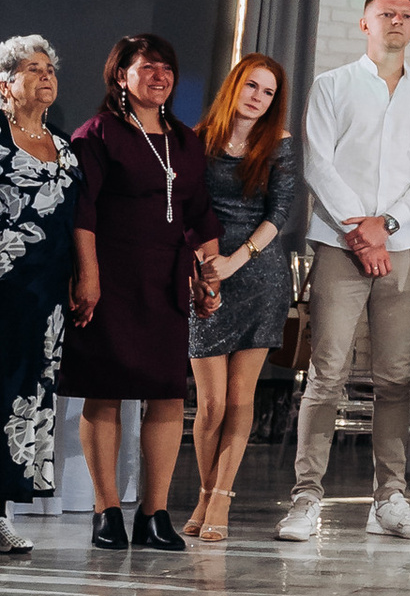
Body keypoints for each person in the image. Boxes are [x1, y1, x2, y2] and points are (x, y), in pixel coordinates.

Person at [286, 0, 410, 545]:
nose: (397, 23)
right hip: (339, 242)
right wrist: (362, 229)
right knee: (327, 372)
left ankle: (391, 498)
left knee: (395, 377)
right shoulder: (332, 86)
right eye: (386, 14)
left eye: (406, 15)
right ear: (364, 24)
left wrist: (388, 226)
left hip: (402, 246)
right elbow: (318, 163)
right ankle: (307, 498)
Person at [65, 32, 216, 552]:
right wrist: (88, 276)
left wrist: (208, 275)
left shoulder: (186, 140)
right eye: (147, 67)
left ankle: (154, 513)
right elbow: (82, 214)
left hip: (167, 279)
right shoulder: (98, 134)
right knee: (104, 389)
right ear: (120, 76)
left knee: (167, 394)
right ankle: (106, 509)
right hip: (111, 275)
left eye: (166, 69)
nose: (160, 76)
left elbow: (200, 216)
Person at [187, 54, 298, 542]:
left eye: (268, 92)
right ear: (234, 87)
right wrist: (206, 266)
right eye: (251, 86)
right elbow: (185, 209)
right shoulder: (196, 140)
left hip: (260, 274)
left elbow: (281, 214)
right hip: (206, 272)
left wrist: (238, 259)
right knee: (209, 404)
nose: (258, 97)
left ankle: (220, 499)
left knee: (239, 397)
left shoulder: (280, 146)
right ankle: (203, 492)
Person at [0, 33, 79, 548]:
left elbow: (77, 224)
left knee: (22, 402)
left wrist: (82, 278)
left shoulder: (66, 148)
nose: (45, 75)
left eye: (49, 68)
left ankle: (0, 515)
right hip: (2, 290)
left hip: (44, 301)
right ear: (5, 84)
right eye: (32, 68)